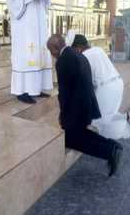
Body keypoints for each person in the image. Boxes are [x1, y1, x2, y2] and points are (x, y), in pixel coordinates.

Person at [46, 34, 123, 176]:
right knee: (81, 134)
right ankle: (113, 146)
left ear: (56, 48)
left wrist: (63, 116)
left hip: (77, 109)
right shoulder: (79, 55)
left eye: (51, 51)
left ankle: (109, 151)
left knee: (71, 139)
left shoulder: (63, 61)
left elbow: (64, 93)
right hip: (87, 106)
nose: (51, 55)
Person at [6, 0, 53, 104]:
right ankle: (21, 91)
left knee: (39, 56)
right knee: (26, 57)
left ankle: (37, 89)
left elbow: (47, 4)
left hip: (39, 27)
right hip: (25, 29)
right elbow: (12, 3)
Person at [70, 33, 130, 139]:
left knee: (95, 122)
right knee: (106, 115)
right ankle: (126, 117)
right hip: (118, 83)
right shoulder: (98, 49)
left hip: (105, 88)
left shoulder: (84, 56)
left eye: (74, 50)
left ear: (79, 48)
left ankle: (123, 125)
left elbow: (85, 83)